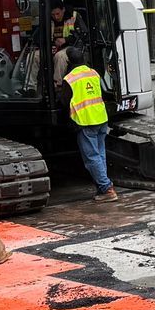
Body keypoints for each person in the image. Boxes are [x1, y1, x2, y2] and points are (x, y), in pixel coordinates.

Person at [62, 44, 119, 203]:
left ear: (68, 61)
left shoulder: (70, 79)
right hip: (101, 118)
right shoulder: (93, 73)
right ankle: (102, 187)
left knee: (92, 157)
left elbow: (64, 101)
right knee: (100, 155)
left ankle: (107, 189)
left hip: (85, 121)